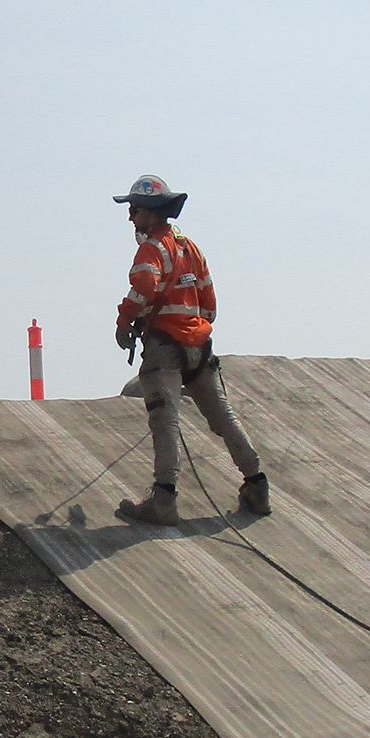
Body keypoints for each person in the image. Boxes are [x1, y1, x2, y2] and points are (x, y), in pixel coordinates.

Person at [111, 175, 271, 526]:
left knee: (165, 419)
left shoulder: (152, 249)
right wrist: (192, 327)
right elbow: (209, 304)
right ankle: (257, 484)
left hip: (165, 349)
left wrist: (126, 322)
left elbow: (144, 288)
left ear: (150, 212)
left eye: (134, 209)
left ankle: (164, 500)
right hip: (200, 348)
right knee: (223, 416)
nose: (130, 217)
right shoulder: (190, 248)